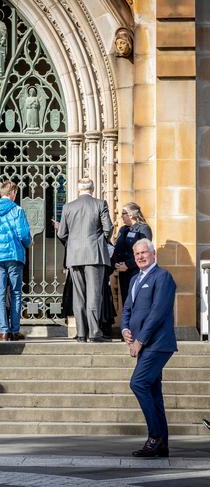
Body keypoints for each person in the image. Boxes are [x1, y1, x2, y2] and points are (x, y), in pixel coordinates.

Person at [120, 239, 177, 458]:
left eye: (144, 252)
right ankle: (162, 444)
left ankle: (154, 437)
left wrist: (139, 340)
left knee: (138, 383)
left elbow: (157, 312)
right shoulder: (135, 279)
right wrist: (125, 329)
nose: (140, 256)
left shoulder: (163, 277)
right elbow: (127, 309)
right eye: (137, 254)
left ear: (153, 254)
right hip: (143, 344)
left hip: (158, 343)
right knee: (153, 392)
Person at [56, 178, 113, 342]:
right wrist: (99, 241)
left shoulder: (68, 206)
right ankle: (94, 333)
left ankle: (81, 333)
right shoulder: (100, 204)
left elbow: (61, 233)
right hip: (94, 255)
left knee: (78, 295)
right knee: (94, 295)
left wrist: (73, 243)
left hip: (74, 256)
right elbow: (108, 229)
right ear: (93, 189)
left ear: (78, 189)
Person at [0, 181, 31, 341]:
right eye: (15, 193)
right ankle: (15, 330)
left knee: (0, 294)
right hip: (14, 256)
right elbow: (23, 234)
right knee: (16, 293)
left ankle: (3, 331)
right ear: (13, 193)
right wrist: (29, 242)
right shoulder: (17, 210)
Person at [113, 202, 153, 305]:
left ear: (131, 215)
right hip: (123, 272)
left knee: (137, 303)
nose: (121, 216)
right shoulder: (123, 229)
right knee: (127, 303)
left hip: (136, 271)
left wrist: (128, 265)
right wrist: (116, 263)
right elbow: (117, 249)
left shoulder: (143, 229)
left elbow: (145, 252)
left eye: (123, 213)